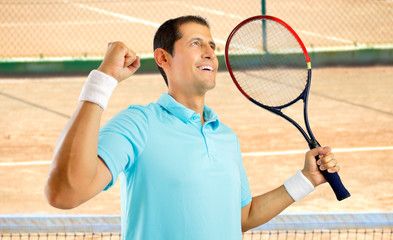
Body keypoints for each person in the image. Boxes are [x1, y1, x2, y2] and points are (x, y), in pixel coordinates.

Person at [45, 15, 340, 240]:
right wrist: (103, 79)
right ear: (163, 58)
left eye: (212, 45)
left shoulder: (226, 137)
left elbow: (241, 216)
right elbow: (65, 193)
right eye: (195, 43)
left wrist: (306, 180)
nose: (210, 52)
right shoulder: (139, 123)